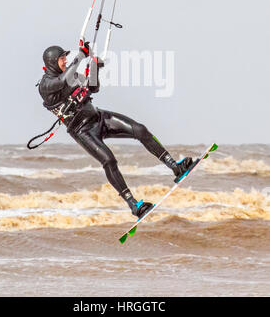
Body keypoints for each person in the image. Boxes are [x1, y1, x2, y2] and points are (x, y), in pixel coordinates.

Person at [38, 42, 193, 219]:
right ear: (51, 62)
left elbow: (93, 87)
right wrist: (80, 56)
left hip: (99, 118)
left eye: (66, 58)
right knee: (109, 161)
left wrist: (95, 66)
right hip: (83, 131)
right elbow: (62, 81)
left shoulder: (71, 76)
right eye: (62, 58)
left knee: (140, 130)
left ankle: (175, 167)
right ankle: (134, 205)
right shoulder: (46, 85)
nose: (65, 61)